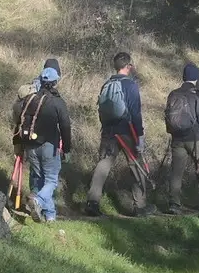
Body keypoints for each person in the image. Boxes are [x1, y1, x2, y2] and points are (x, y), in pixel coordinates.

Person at [85, 52, 155, 217]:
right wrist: (140, 136)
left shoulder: (107, 84)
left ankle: (92, 202)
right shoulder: (130, 86)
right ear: (128, 66)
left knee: (103, 165)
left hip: (108, 132)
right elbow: (135, 113)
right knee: (136, 166)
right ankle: (140, 206)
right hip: (127, 132)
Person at [14, 67, 72, 222]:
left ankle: (50, 216)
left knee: (39, 179)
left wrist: (18, 144)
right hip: (49, 146)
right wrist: (67, 148)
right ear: (55, 82)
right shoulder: (58, 102)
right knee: (51, 181)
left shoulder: (30, 99)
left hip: (30, 145)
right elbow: (65, 126)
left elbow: (19, 120)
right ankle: (38, 200)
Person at [164, 63, 199, 214]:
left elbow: (167, 116)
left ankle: (174, 203)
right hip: (196, 139)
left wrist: (172, 133)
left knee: (176, 172)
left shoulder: (173, 94)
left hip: (177, 139)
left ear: (183, 77)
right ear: (196, 78)